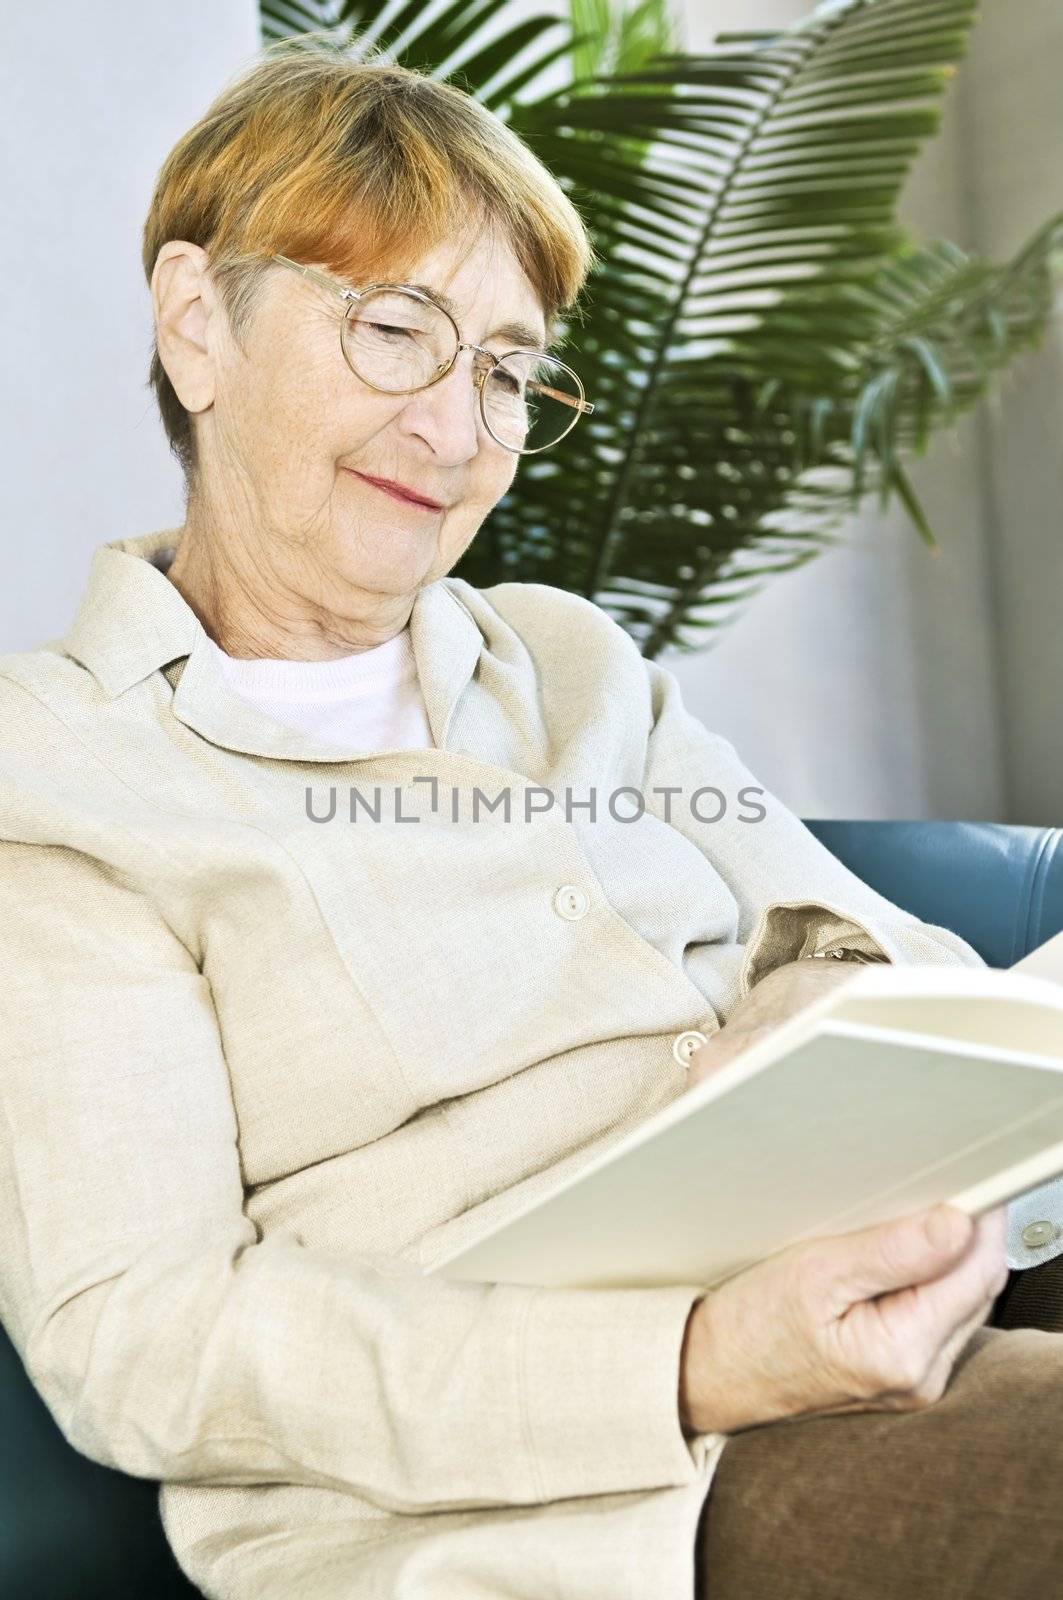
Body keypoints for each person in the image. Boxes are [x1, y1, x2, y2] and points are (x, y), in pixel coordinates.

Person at [0, 41, 1059, 1600]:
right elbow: (147, 1336)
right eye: (395, 331)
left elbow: (895, 961)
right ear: (194, 322)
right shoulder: (63, 786)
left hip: (889, 1283)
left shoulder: (568, 662)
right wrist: (691, 1362)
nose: (460, 428)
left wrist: (821, 998)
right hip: (584, 1501)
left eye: (505, 368)